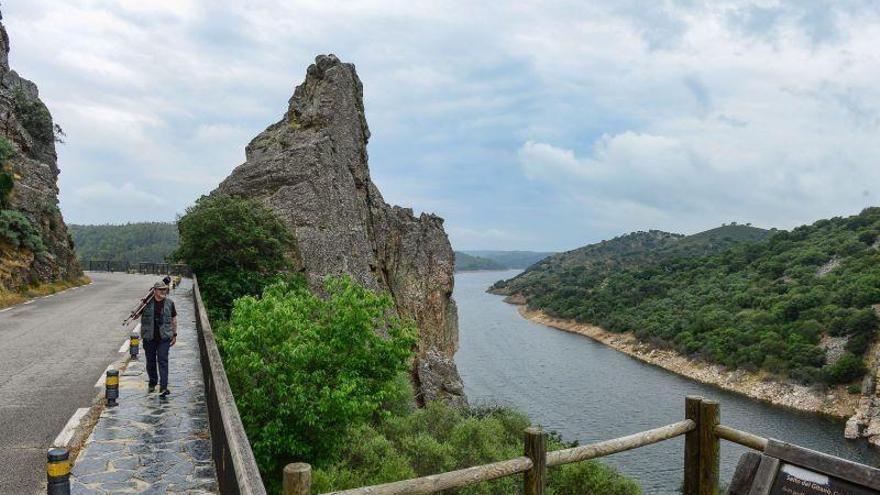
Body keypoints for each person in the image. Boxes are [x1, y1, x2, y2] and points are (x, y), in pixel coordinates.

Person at [139, 280, 177, 397]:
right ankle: (153, 382)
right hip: (149, 338)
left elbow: (174, 320)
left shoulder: (170, 303)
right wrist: (141, 304)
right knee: (150, 362)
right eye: (160, 289)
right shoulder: (147, 304)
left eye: (164, 289)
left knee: (163, 360)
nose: (163, 291)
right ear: (154, 291)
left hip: (164, 337)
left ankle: (163, 387)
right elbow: (135, 316)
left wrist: (174, 335)